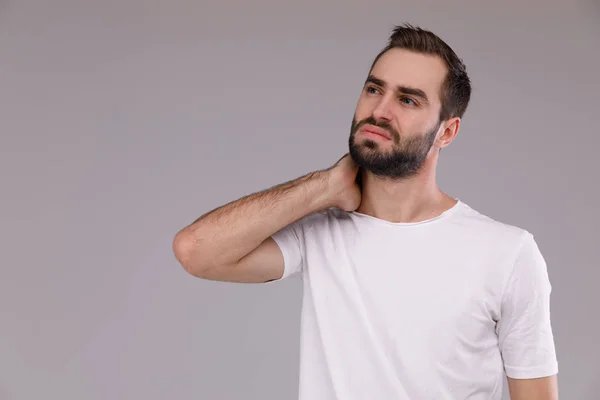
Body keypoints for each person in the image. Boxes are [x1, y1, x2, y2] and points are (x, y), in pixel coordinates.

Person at [172, 23, 559, 400]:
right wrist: (324, 185)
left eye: (408, 100)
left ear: (447, 132)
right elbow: (196, 251)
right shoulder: (320, 233)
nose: (381, 110)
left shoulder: (507, 254)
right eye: (374, 89)